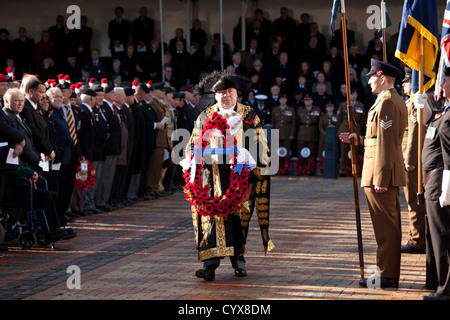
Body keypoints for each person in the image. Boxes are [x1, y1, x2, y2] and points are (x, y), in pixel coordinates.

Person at [184, 70, 273, 281]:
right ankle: (209, 265)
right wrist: (189, 157)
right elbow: (193, 142)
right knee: (209, 219)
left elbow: (262, 146)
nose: (226, 96)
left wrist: (249, 155)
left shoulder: (249, 116)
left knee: (238, 221)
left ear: (237, 94)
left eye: (230, 91)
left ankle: (239, 261)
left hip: (239, 178)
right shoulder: (205, 115)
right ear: (215, 95)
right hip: (210, 177)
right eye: (221, 92)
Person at [339, 59, 407, 288]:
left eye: (370, 77)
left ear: (381, 77)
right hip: (379, 170)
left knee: (385, 228)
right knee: (386, 226)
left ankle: (387, 275)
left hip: (379, 174)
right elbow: (379, 138)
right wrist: (359, 139)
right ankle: (387, 273)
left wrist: (381, 178)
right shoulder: (387, 100)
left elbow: (387, 143)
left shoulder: (387, 102)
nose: (368, 82)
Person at [418, 68, 450, 300]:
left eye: (444, 81)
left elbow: (449, 155)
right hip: (433, 181)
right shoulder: (444, 113)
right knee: (434, 235)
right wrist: (425, 107)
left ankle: (446, 289)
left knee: (442, 235)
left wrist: (448, 187)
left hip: (440, 180)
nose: (440, 85)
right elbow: (431, 125)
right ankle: (436, 280)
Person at [400, 67, 427, 254]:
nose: (403, 85)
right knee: (412, 201)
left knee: (413, 201)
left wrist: (410, 160)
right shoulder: (410, 103)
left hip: (413, 162)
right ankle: (415, 236)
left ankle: (417, 240)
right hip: (409, 158)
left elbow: (415, 134)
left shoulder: (413, 105)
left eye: (406, 82)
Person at [336, 88, 365, 177]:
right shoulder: (343, 105)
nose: (353, 96)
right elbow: (339, 118)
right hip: (345, 127)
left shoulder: (360, 105)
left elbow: (363, 119)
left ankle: (355, 169)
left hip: (356, 128)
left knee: (355, 150)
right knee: (344, 149)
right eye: (351, 94)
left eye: (355, 94)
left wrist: (359, 129)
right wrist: (339, 130)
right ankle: (343, 169)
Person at [271, 93, 295, 173]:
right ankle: (278, 169)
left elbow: (293, 123)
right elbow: (273, 122)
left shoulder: (291, 110)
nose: (283, 100)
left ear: (286, 100)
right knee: (277, 152)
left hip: (287, 134)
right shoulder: (275, 109)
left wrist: (292, 134)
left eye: (284, 99)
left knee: (286, 152)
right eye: (281, 99)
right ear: (279, 100)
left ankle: (286, 168)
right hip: (277, 134)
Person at [296, 94, 321, 161]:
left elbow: (319, 121)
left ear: (312, 101)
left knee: (312, 150)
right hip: (302, 133)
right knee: (301, 150)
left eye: (309, 100)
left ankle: (311, 167)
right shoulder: (300, 109)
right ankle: (301, 167)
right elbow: (297, 121)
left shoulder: (317, 109)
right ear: (304, 101)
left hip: (312, 132)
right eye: (306, 100)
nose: (307, 102)